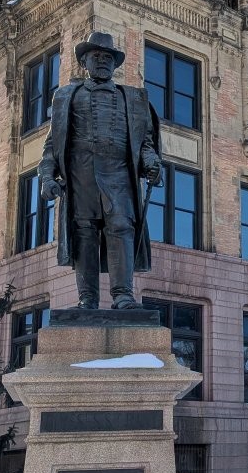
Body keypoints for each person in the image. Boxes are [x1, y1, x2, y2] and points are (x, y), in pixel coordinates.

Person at [39, 32, 162, 309]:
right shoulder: (66, 96)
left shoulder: (133, 98)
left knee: (121, 228)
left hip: (119, 175)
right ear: (85, 62)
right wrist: (47, 176)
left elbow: (145, 142)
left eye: (108, 57)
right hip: (80, 175)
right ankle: (88, 299)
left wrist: (151, 163)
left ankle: (123, 295)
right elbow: (52, 145)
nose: (103, 61)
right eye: (97, 56)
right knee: (84, 232)